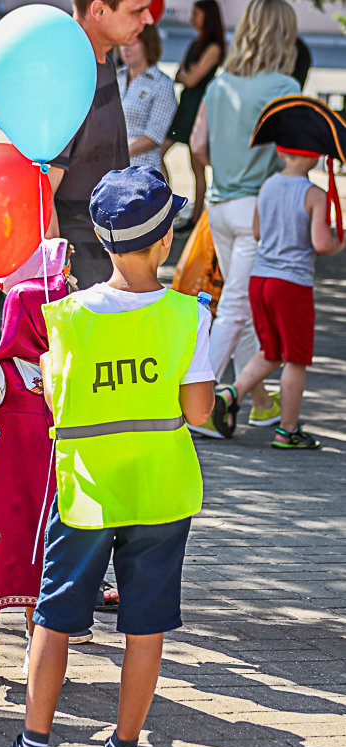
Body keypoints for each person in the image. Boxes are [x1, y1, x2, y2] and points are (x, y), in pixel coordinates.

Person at [0, 166, 215, 747]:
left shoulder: (67, 317)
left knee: (54, 619)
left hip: (83, 493)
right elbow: (198, 412)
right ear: (165, 243)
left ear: (103, 243)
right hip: (161, 492)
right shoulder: (190, 317)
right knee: (145, 624)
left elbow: (57, 401)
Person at [0, 240, 77, 689]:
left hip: (47, 490)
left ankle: (36, 645)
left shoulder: (60, 369)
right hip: (4, 491)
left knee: (41, 563)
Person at [190, 0, 299, 437]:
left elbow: (197, 145)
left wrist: (229, 165)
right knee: (236, 307)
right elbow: (288, 154)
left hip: (220, 203)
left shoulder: (220, 84)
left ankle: (258, 401)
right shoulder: (285, 85)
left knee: (244, 306)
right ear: (283, 36)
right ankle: (200, 406)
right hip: (258, 208)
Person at [212, 96, 346, 447]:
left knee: (271, 352)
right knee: (296, 360)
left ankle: (231, 394)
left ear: (282, 152)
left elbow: (257, 232)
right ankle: (288, 430)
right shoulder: (314, 195)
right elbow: (320, 243)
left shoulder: (267, 185)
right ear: (314, 155)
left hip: (260, 280)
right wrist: (337, 242)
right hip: (291, 285)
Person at [46, 0, 153, 290]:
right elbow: (41, 189)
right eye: (136, 10)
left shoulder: (101, 59)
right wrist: (58, 282)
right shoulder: (70, 72)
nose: (149, 19)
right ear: (99, 10)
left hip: (106, 256)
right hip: (80, 271)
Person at [160, 0, 225, 230]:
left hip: (198, 110)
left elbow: (189, 79)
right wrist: (187, 75)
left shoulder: (214, 47)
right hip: (186, 106)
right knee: (161, 152)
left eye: (196, 14)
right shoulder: (195, 43)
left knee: (196, 165)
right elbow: (180, 75)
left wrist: (187, 75)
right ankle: (166, 206)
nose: (192, 18)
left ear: (207, 17)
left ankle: (196, 217)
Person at [117, 24, 177, 173]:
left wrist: (114, 153)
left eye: (133, 42)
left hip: (142, 174)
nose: (125, 48)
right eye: (123, 42)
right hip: (109, 171)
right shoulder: (115, 76)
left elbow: (153, 137)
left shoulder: (162, 84)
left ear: (148, 44)